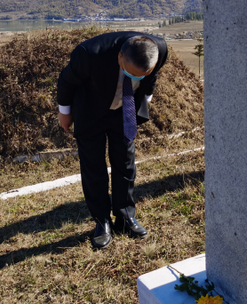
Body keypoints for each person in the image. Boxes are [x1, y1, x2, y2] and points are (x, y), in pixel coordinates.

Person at [57, 31, 168, 248]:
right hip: (91, 111)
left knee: (125, 163)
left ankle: (125, 217)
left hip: (124, 110)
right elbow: (67, 81)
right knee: (93, 166)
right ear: (120, 57)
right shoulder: (89, 53)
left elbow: (151, 79)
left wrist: (145, 100)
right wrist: (65, 112)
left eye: (140, 75)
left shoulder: (160, 49)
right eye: (131, 73)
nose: (136, 78)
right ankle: (102, 222)